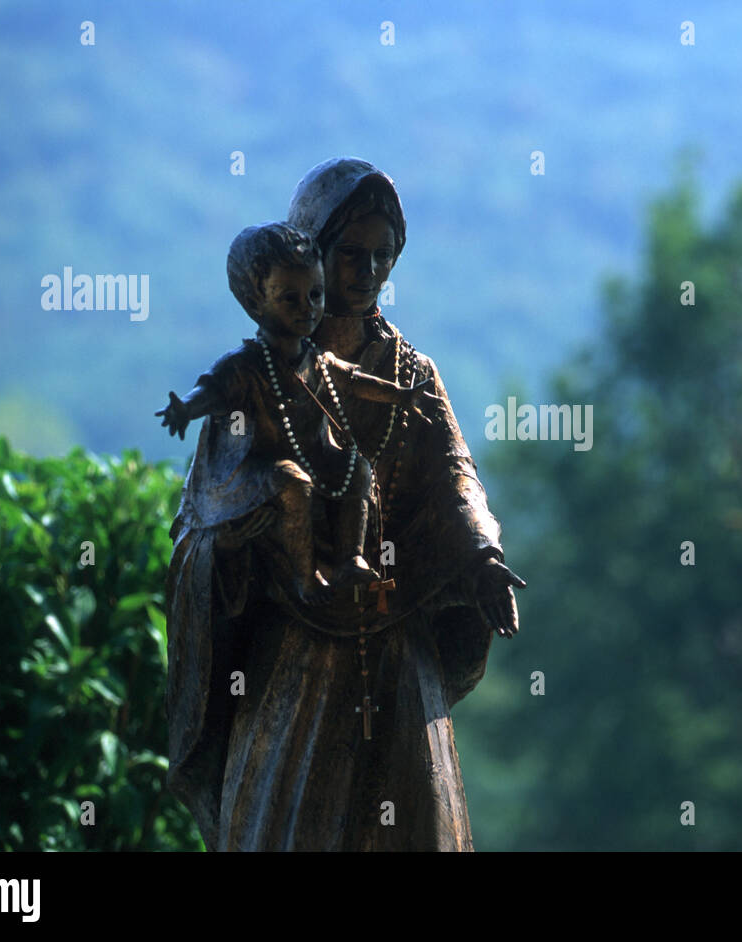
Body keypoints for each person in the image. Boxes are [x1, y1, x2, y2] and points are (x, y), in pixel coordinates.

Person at [165, 159, 525, 851]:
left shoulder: (411, 374)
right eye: (350, 254)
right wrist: (252, 528)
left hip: (396, 647)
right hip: (291, 663)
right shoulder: (257, 373)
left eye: (382, 257)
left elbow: (455, 475)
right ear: (308, 252)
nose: (366, 272)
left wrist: (482, 554)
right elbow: (203, 518)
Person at [156, 222, 438, 610]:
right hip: (258, 474)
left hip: (315, 457)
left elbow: (355, 381)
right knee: (293, 481)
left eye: (316, 294)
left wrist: (399, 395)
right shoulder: (247, 366)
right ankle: (305, 579)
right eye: (291, 299)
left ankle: (350, 558)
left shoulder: (316, 360)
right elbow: (213, 390)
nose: (308, 308)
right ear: (257, 301)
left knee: (358, 468)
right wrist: (186, 408)